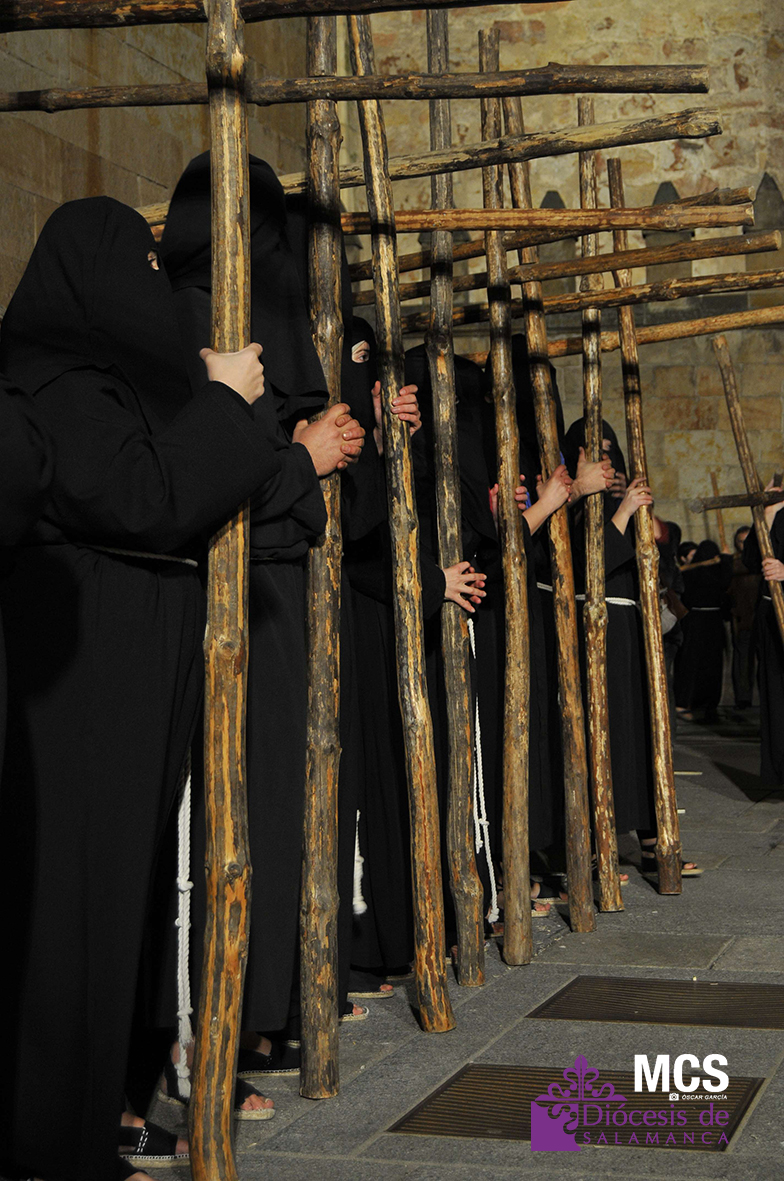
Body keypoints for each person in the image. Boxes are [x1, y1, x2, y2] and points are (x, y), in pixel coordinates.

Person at [0, 197, 288, 1181]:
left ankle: (95, 1111)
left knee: (116, 900)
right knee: (70, 908)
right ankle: (50, 1133)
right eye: (144, 268)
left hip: (125, 673)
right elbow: (139, 496)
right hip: (86, 682)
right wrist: (222, 404)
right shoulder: (55, 381)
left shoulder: (105, 381)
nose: (156, 290)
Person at [157, 152, 367, 1088]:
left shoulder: (260, 318)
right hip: (213, 601)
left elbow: (291, 440)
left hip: (274, 596)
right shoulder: (180, 319)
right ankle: (216, 1021)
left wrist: (316, 444)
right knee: (221, 819)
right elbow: (198, 476)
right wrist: (298, 458)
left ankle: (260, 1009)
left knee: (274, 808)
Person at [743, 483, 784, 782]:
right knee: (775, 695)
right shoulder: (774, 512)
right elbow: (750, 560)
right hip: (771, 616)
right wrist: (766, 515)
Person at [675, 539, 733, 722]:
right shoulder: (712, 573)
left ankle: (694, 703)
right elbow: (724, 582)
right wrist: (726, 559)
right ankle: (703, 704)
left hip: (696, 622)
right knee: (703, 665)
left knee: (696, 664)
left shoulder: (692, 572)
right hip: (708, 623)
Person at [728, 524, 759, 708]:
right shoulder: (733, 563)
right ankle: (743, 698)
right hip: (742, 619)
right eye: (741, 542)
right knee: (743, 661)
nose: (744, 546)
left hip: (761, 616)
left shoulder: (763, 560)